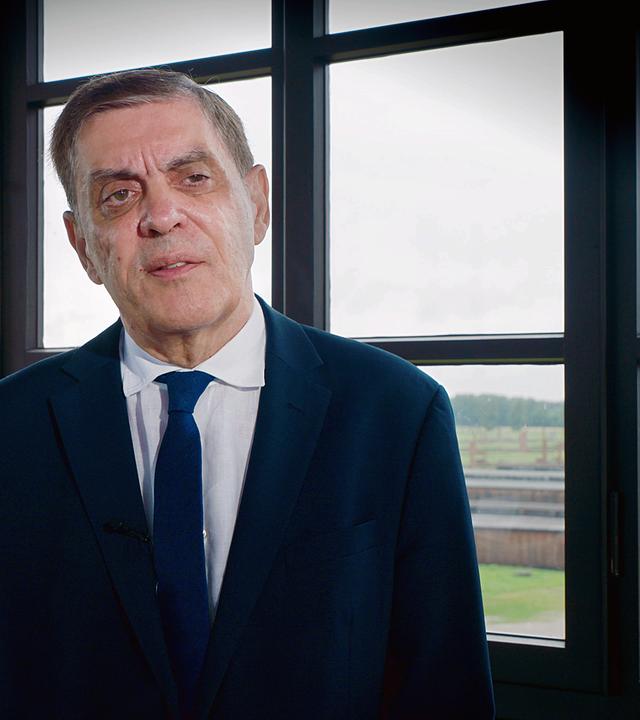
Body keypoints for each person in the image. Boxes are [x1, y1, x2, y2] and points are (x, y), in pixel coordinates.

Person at [0, 69, 494, 719]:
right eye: (118, 195)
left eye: (193, 178)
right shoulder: (12, 427)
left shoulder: (399, 411)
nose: (162, 216)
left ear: (257, 204)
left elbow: (445, 690)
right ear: (83, 246)